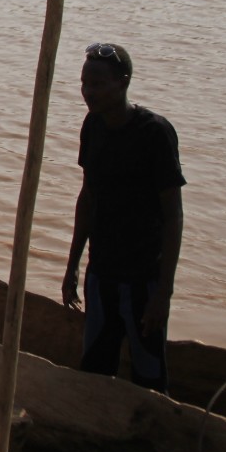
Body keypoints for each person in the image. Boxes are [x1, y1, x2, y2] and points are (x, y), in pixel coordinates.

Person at [60, 42, 186, 392]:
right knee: (96, 368)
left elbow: (173, 217)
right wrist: (72, 265)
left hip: (143, 278)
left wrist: (164, 291)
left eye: (97, 84)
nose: (88, 92)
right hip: (102, 272)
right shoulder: (93, 126)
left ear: (123, 82)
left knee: (148, 373)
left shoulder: (155, 134)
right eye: (84, 83)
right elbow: (88, 197)